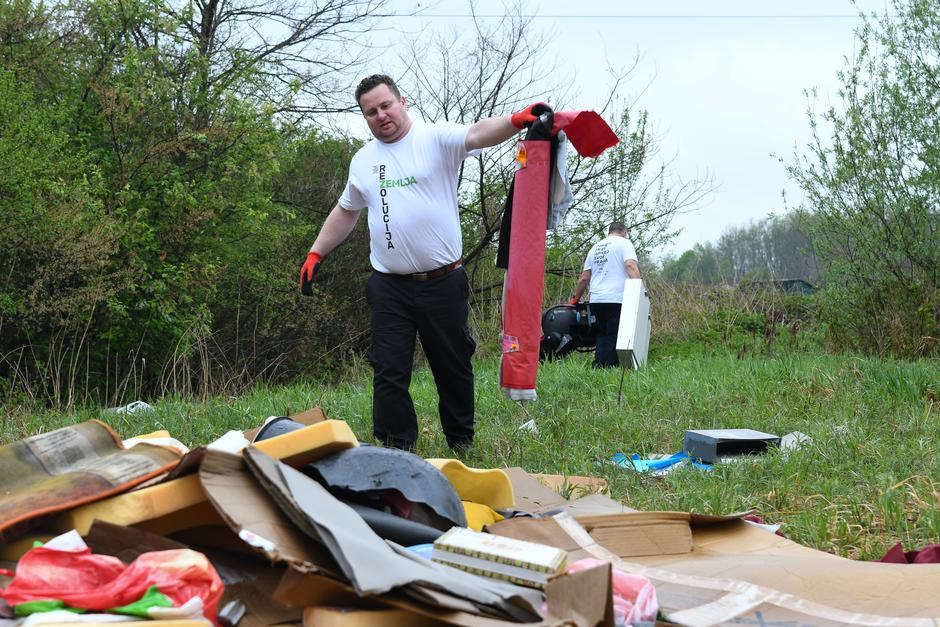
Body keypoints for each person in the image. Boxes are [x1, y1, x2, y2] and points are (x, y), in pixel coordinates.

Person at [299, 73, 546, 452]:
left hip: (443, 282)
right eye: (371, 112)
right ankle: (397, 447)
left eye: (386, 105)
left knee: (452, 367)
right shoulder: (363, 160)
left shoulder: (435, 138)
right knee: (388, 370)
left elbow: (478, 134)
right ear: (364, 118)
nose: (381, 115)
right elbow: (346, 210)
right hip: (389, 285)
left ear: (402, 101)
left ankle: (461, 441)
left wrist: (516, 120)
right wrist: (317, 252)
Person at [570, 222, 641, 368]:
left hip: (596, 299)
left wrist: (575, 299)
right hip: (617, 298)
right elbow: (630, 265)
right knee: (614, 333)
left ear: (609, 232)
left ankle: (599, 364)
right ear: (624, 232)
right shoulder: (625, 243)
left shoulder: (595, 248)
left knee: (601, 334)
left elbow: (584, 278)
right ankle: (609, 367)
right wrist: (640, 291)